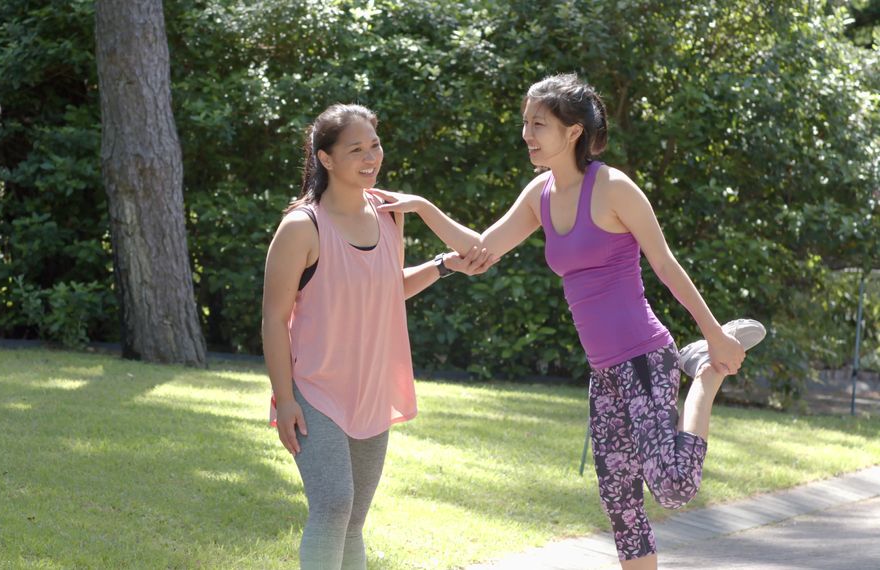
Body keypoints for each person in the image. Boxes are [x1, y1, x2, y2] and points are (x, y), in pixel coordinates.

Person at [367, 74, 766, 569]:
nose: (527, 134)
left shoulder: (614, 188)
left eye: (539, 124)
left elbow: (665, 265)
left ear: (573, 131)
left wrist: (716, 336)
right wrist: (424, 208)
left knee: (673, 487)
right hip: (604, 372)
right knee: (620, 504)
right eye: (525, 124)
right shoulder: (541, 194)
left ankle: (703, 374)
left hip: (644, 355)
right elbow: (481, 251)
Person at [261, 103, 493, 569]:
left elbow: (392, 287)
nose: (371, 157)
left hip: (371, 389)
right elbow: (272, 317)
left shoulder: (389, 214)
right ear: (326, 159)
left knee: (353, 522)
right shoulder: (301, 227)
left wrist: (437, 249)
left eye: (375, 145)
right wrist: (284, 398)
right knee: (332, 507)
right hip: (315, 391)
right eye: (356, 149)